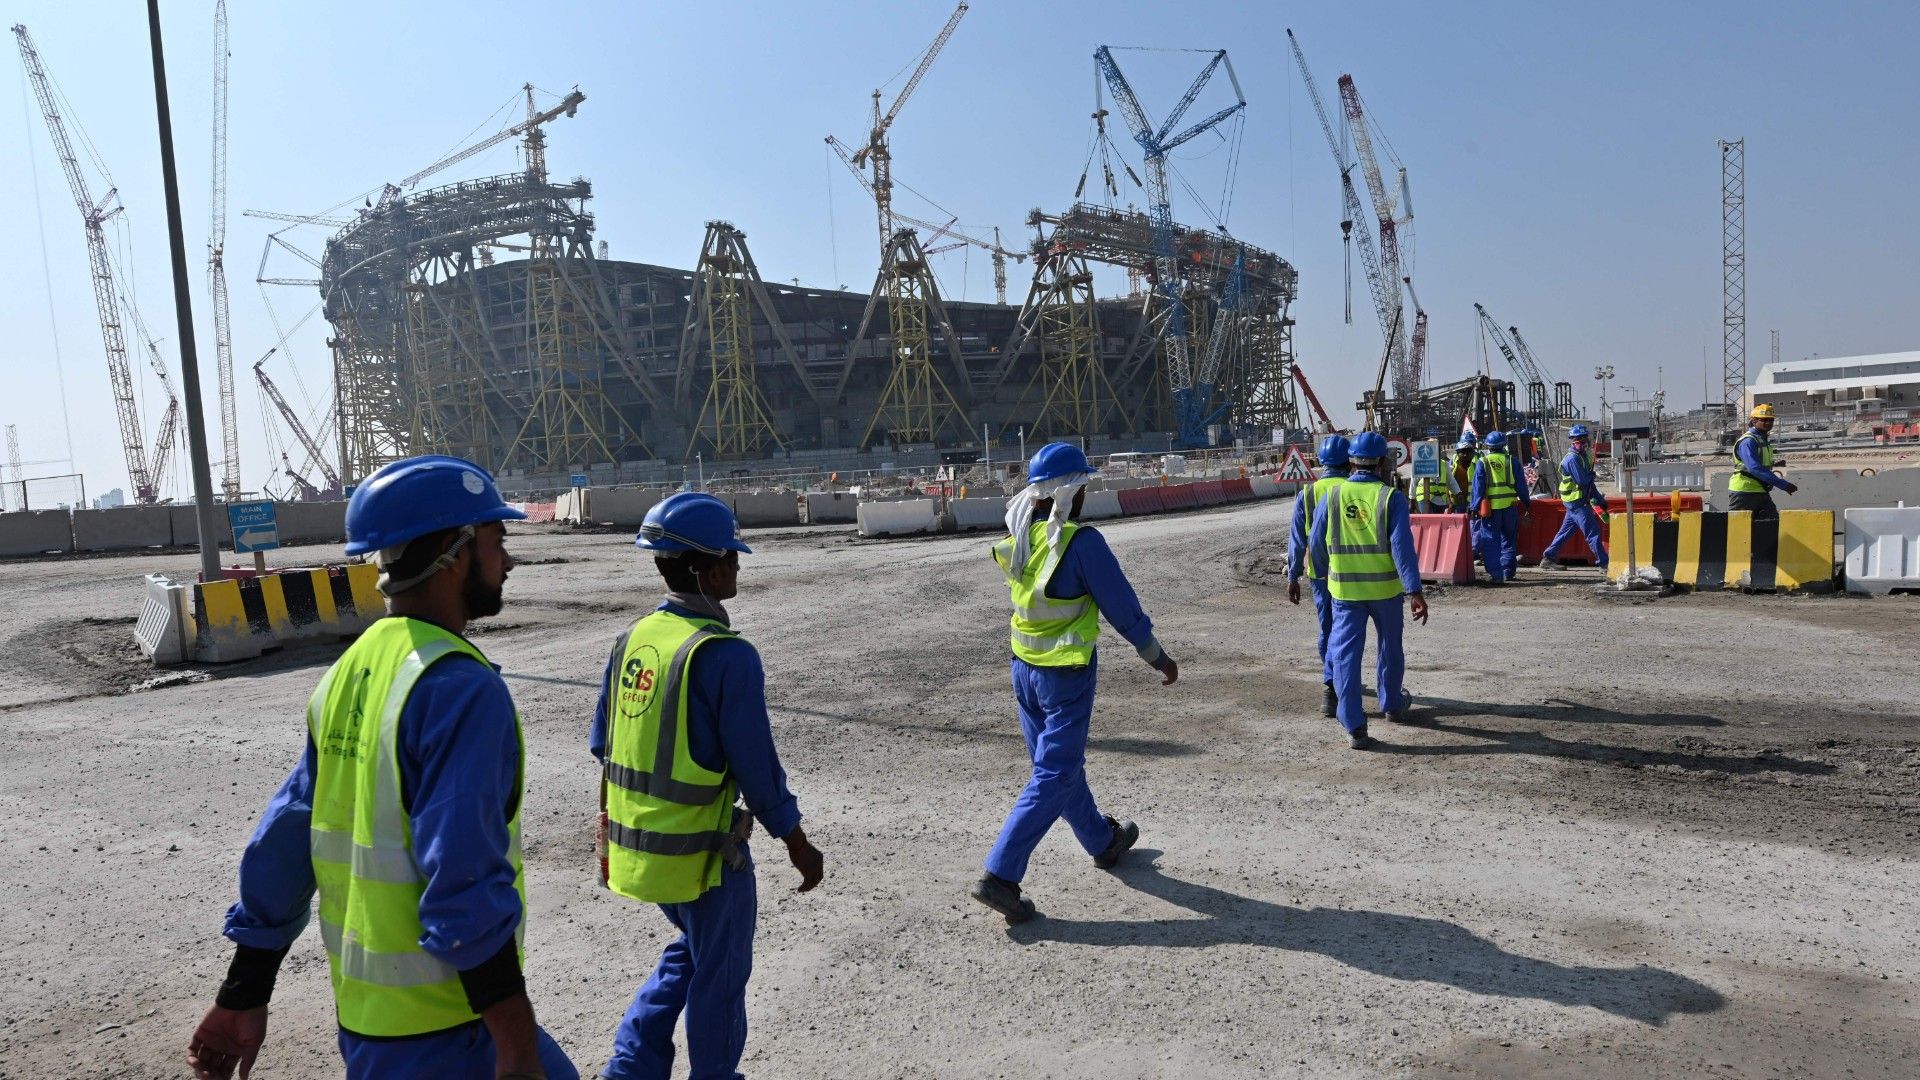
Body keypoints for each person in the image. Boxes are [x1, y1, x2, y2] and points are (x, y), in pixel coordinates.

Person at [186, 455, 577, 1080]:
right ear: (453, 552)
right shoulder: (460, 689)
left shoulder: (350, 669)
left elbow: (284, 841)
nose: (508, 560)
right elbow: (464, 882)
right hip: (451, 1034)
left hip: (373, 1030)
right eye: (497, 541)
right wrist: (516, 1047)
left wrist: (243, 992)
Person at [593, 492, 824, 1080]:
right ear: (705, 567)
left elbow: (605, 745)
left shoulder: (634, 640)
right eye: (732, 556)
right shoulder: (726, 657)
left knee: (692, 953)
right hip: (703, 860)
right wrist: (797, 843)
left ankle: (632, 1066)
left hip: (640, 851)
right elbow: (759, 771)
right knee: (719, 976)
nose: (738, 566)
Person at [972, 442, 1180, 923]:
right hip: (1064, 673)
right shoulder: (1081, 542)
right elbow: (1123, 608)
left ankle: (1103, 842)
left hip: (1023, 668)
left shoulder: (1023, 536)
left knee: (1059, 767)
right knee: (1055, 773)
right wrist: (1158, 658)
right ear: (1073, 492)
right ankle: (1000, 876)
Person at [1308, 432, 1430, 750]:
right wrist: (1414, 590)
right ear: (1381, 462)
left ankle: (1354, 726)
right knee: (1390, 648)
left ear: (1351, 461)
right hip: (1386, 592)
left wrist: (1322, 575)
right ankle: (1391, 704)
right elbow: (1403, 548)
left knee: (1345, 656)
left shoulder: (1331, 496)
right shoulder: (1391, 498)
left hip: (1345, 593)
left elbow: (1316, 544)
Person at [1287, 435, 1351, 718]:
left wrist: (1293, 574)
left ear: (1321, 462)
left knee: (1328, 627)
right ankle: (1339, 682)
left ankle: (1330, 687)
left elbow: (1297, 538)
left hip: (1319, 573)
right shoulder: (1354, 488)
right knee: (1349, 631)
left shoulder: (1309, 493)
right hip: (1352, 571)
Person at [1541, 424, 1611, 570]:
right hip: (1577, 503)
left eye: (1583, 438)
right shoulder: (1572, 459)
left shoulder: (1583, 457)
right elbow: (1582, 481)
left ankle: (1548, 557)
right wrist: (1591, 475)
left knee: (1565, 533)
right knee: (1593, 532)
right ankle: (1604, 564)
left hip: (1575, 502)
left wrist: (1599, 500)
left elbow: (1589, 485)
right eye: (1578, 439)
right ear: (1572, 441)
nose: (1582, 442)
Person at [1469, 429, 1532, 583]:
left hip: (1491, 510)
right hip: (1510, 508)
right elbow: (1522, 487)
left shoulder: (1483, 462)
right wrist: (1527, 503)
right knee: (1509, 541)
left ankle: (1496, 575)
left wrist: (1474, 507)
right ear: (1504, 445)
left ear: (1488, 446)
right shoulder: (1512, 461)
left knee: (1491, 542)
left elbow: (1478, 488)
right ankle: (1507, 572)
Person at [1730, 403, 1799, 518]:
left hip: (1760, 490)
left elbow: (1760, 465)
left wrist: (1775, 466)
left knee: (1772, 526)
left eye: (1771, 420)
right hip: (1745, 492)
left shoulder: (1762, 440)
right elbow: (1754, 468)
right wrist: (1783, 484)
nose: (1768, 423)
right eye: (1764, 420)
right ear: (1754, 421)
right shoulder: (1748, 441)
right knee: (1739, 529)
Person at [1450, 435, 1479, 517]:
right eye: (1463, 452)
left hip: (1473, 500)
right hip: (1458, 501)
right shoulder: (1453, 462)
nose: (1465, 455)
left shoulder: (1478, 460)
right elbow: (1448, 481)